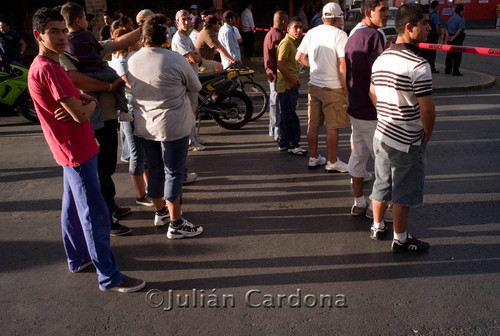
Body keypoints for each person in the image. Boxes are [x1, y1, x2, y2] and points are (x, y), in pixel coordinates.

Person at [28, 7, 145, 292]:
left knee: (71, 208)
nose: (60, 37)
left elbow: (78, 98)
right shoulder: (50, 69)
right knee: (94, 213)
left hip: (70, 148)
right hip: (76, 148)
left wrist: (83, 102)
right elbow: (81, 112)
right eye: (52, 32)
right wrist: (90, 104)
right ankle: (109, 275)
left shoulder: (49, 66)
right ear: (38, 35)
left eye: (62, 30)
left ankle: (77, 258)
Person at [58, 12, 142, 236]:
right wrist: (108, 87)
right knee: (100, 171)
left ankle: (111, 207)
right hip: (92, 119)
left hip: (107, 115)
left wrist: (145, 26)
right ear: (77, 20)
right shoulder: (64, 52)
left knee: (107, 167)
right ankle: (107, 220)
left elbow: (121, 41)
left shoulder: (88, 42)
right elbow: (76, 80)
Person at [127, 14, 204, 239]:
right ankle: (176, 223)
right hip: (173, 125)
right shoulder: (174, 59)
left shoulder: (132, 59)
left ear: (143, 38)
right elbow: (195, 85)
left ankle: (160, 212)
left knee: (154, 168)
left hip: (144, 125)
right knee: (174, 173)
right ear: (165, 37)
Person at [369, 3, 435, 253]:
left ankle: (377, 226)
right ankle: (401, 238)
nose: (430, 28)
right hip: (407, 139)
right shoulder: (418, 65)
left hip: (382, 133)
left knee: (381, 182)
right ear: (409, 27)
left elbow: (372, 91)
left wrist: (386, 113)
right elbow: (427, 109)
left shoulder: (381, 59)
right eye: (425, 23)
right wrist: (426, 133)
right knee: (403, 192)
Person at [345, 0, 394, 224]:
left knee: (358, 156)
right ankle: (381, 211)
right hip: (372, 111)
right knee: (385, 164)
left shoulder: (353, 35)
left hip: (356, 107)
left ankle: (359, 202)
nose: (387, 14)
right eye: (382, 10)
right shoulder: (375, 37)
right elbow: (379, 77)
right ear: (368, 12)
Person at [296, 2, 350, 172]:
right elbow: (342, 64)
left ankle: (314, 157)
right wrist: (345, 87)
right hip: (333, 87)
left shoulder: (312, 32)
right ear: (338, 17)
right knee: (332, 126)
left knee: (313, 124)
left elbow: (299, 56)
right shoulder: (340, 35)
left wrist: (313, 67)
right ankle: (333, 161)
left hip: (315, 84)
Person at [60, 2, 133, 123]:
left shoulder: (65, 41)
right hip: (101, 70)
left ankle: (93, 123)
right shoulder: (88, 35)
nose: (87, 22)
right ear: (78, 21)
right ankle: (124, 111)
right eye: (85, 19)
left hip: (86, 74)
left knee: (92, 100)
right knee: (119, 82)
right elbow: (99, 49)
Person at [108, 27, 152, 207]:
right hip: (130, 110)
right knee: (137, 156)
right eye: (136, 39)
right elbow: (127, 84)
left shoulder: (131, 58)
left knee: (144, 155)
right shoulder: (122, 60)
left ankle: (151, 189)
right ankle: (141, 195)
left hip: (138, 108)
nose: (140, 41)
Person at [171, 9, 205, 152]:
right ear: (176, 22)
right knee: (189, 112)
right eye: (182, 19)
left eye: (187, 19)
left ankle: (194, 137)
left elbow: (197, 55)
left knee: (193, 110)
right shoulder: (179, 38)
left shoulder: (187, 37)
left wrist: (196, 57)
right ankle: (191, 142)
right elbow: (193, 58)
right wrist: (195, 57)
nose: (186, 22)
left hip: (192, 78)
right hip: (186, 82)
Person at [276, 17, 307, 156]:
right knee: (291, 117)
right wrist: (292, 81)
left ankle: (283, 142)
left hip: (289, 84)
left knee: (285, 116)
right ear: (288, 29)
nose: (299, 30)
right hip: (287, 86)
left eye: (301, 27)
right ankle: (293, 144)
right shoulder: (287, 43)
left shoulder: (292, 43)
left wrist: (295, 80)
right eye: (296, 27)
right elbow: (280, 64)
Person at [263, 11, 288, 141]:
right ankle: (278, 133)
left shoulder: (269, 34)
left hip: (270, 74)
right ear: (283, 22)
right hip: (277, 75)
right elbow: (282, 59)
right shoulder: (278, 37)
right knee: (278, 106)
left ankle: (273, 129)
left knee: (274, 104)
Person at [445, 5, 465, 76]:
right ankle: (455, 71)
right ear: (461, 11)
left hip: (449, 38)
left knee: (449, 55)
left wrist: (448, 37)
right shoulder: (461, 19)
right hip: (457, 39)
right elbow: (460, 29)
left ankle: (447, 69)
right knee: (457, 55)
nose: (464, 12)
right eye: (463, 10)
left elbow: (446, 29)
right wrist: (454, 37)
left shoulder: (450, 18)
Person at [421, 1, 440, 73]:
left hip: (427, 35)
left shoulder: (428, 14)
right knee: (432, 52)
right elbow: (437, 26)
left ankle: (425, 66)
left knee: (425, 51)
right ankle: (431, 67)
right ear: (436, 6)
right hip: (433, 35)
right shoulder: (434, 15)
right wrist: (439, 35)